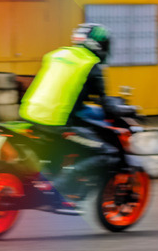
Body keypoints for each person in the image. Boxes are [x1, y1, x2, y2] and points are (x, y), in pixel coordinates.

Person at [18, 23, 117, 200]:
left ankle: (52, 173)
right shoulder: (90, 65)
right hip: (56, 123)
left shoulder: (56, 55)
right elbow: (107, 107)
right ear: (99, 45)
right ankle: (59, 185)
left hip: (29, 114)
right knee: (107, 153)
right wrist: (123, 111)